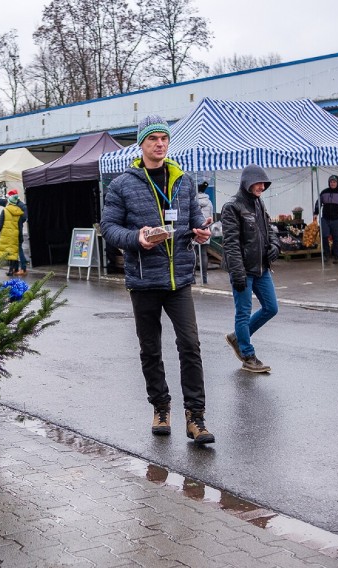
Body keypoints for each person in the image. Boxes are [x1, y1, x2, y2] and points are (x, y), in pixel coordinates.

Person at [100, 114, 215, 445]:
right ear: (142, 144)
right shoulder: (123, 184)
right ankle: (160, 407)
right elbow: (108, 228)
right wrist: (138, 237)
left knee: (190, 345)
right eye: (153, 139)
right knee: (150, 349)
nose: (160, 144)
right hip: (143, 279)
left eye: (164, 138)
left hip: (179, 279)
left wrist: (202, 233)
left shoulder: (184, 181)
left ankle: (195, 417)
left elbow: (194, 221)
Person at [221, 164, 280, 373]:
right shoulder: (232, 207)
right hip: (243, 270)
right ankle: (247, 355)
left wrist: (275, 245)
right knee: (243, 313)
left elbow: (268, 229)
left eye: (264, 183)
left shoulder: (258, 203)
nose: (262, 187)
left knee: (271, 307)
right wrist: (237, 273)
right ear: (247, 182)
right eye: (259, 183)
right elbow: (231, 244)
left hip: (262, 268)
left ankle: (238, 337)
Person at [0, 189, 28, 275]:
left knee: (14, 250)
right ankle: (15, 269)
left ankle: (23, 268)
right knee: (14, 250)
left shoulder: (12, 207)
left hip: (12, 232)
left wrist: (15, 224)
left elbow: (1, 222)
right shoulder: (17, 206)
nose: (6, 199)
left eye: (7, 197)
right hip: (16, 231)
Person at [195, 181, 213, 284]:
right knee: (203, 254)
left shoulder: (193, 200)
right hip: (205, 230)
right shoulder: (209, 202)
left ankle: (192, 277)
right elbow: (211, 217)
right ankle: (204, 279)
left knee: (193, 254)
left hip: (195, 230)